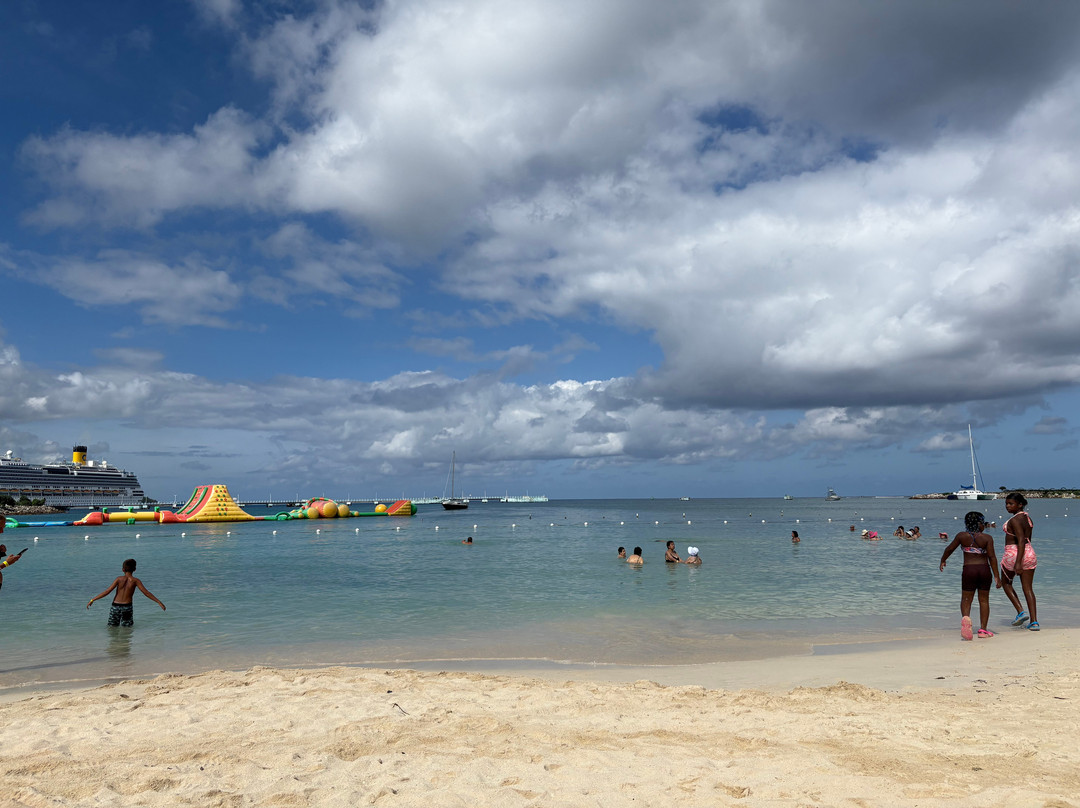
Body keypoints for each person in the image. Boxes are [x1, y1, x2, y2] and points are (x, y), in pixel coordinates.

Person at [939, 511, 1000, 640]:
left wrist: (943, 560)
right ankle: (983, 630)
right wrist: (996, 576)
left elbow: (949, 549)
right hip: (984, 570)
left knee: (966, 599)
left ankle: (966, 619)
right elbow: (992, 558)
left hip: (969, 570)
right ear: (980, 524)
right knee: (984, 600)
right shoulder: (987, 538)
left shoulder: (961, 536)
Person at [87, 559, 166, 626]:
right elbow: (146, 593)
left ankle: (114, 644)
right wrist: (158, 602)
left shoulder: (119, 579)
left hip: (115, 606)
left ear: (123, 569)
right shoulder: (136, 581)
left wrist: (93, 599)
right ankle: (125, 644)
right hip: (127, 607)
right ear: (135, 569)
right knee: (127, 629)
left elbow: (107, 591)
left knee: (112, 627)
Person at [1000, 492, 1038, 630]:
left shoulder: (1015, 520)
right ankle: (1034, 622)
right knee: (1028, 588)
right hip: (1029, 552)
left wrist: (1018, 563)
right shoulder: (1028, 519)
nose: (1007, 506)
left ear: (1020, 504)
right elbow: (1027, 540)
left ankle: (1020, 612)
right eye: (1006, 504)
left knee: (1005, 583)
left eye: (1011, 504)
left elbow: (1020, 540)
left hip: (1014, 553)